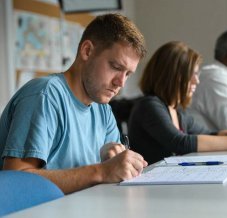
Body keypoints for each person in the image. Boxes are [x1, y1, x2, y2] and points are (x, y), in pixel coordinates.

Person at [0, 13, 148, 194]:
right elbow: (16, 182)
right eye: (116, 67)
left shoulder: (103, 109)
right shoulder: (44, 96)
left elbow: (113, 173)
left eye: (128, 74)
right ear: (87, 51)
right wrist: (101, 171)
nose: (121, 83)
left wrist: (115, 160)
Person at [128, 41, 227, 164]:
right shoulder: (149, 106)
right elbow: (181, 143)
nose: (196, 81)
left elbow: (210, 134)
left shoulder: (176, 111)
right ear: (171, 76)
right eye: (191, 75)